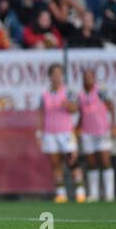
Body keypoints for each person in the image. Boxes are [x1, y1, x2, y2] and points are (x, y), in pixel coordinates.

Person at [37, 63, 86, 203]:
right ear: (50, 76)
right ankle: (61, 193)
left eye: (60, 74)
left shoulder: (68, 92)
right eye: (55, 74)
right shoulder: (44, 95)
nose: (57, 77)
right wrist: (38, 133)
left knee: (72, 161)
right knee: (55, 163)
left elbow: (75, 109)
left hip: (65, 132)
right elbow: (40, 114)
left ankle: (80, 192)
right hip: (50, 133)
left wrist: (68, 105)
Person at [78, 69, 116, 202]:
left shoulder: (100, 91)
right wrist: (78, 129)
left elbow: (111, 106)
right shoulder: (81, 94)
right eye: (86, 77)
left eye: (90, 77)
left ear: (94, 79)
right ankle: (94, 194)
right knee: (91, 163)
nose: (88, 79)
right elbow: (81, 113)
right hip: (87, 131)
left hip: (102, 130)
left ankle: (109, 194)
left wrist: (113, 125)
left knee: (105, 161)